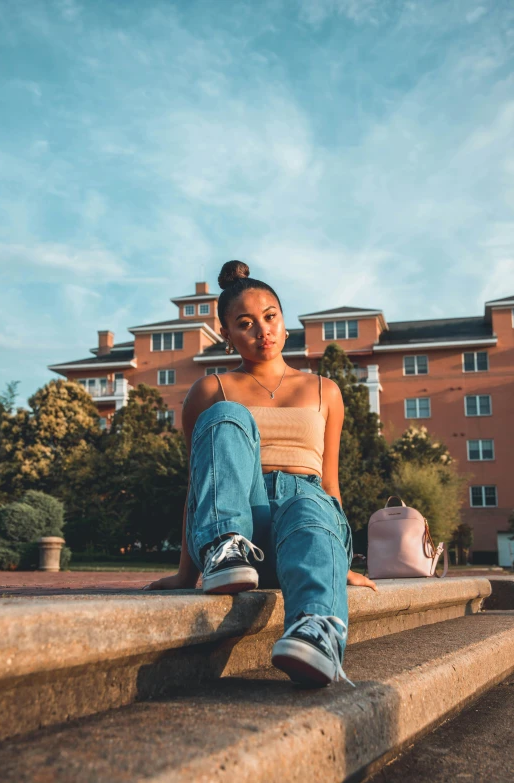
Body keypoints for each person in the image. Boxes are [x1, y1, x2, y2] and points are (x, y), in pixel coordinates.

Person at [145, 260, 377, 687]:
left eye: (270, 317)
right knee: (228, 415)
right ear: (228, 335)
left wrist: (336, 558)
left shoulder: (326, 390)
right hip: (240, 536)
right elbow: (202, 484)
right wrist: (185, 573)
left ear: (285, 324)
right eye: (245, 323)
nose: (262, 330)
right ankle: (223, 547)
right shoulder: (210, 389)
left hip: (304, 522)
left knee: (310, 500)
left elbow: (330, 483)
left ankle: (316, 633)